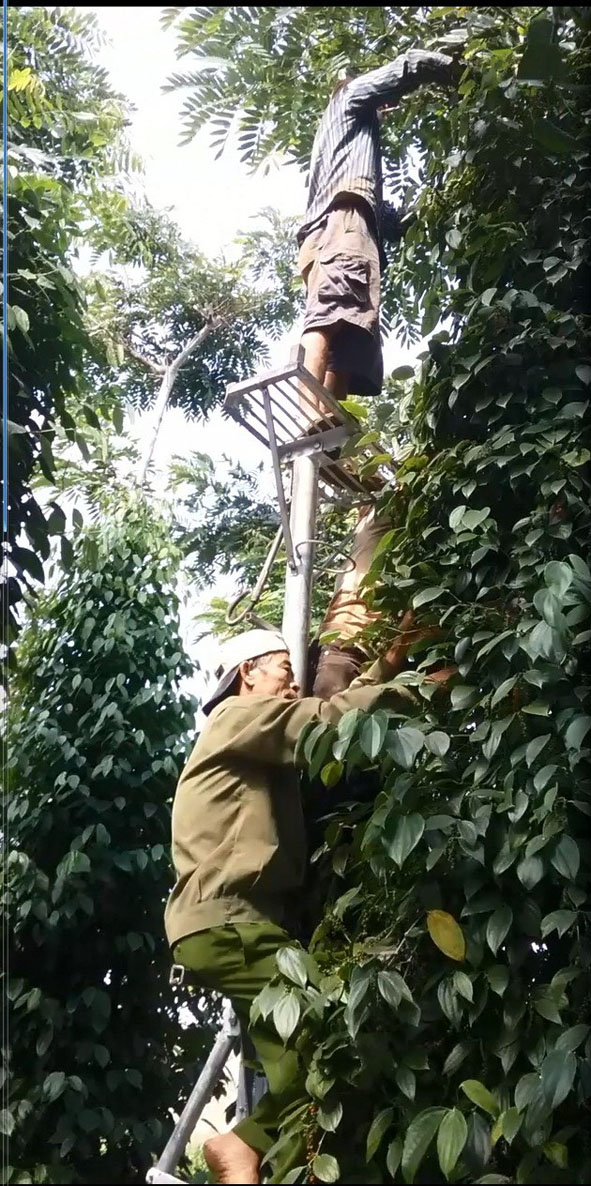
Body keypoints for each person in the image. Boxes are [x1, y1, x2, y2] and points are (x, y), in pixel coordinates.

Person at [164, 621, 444, 1184]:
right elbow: (325, 721)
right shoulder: (236, 717)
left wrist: (388, 663)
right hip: (232, 924)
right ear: (248, 673)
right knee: (331, 1042)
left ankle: (250, 1152)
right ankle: (243, 1145)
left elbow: (324, 711)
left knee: (296, 1064)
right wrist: (420, 688)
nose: (294, 684)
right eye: (285, 671)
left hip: (231, 927)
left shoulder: (247, 732)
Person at [297, 49, 460, 699]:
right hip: (341, 222)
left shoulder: (357, 162)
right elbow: (383, 78)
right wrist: (439, 65)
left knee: (350, 333)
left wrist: (427, 207)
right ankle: (309, 399)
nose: (383, 109)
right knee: (333, 310)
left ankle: (323, 409)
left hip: (353, 223)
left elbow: (387, 219)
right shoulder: (348, 107)